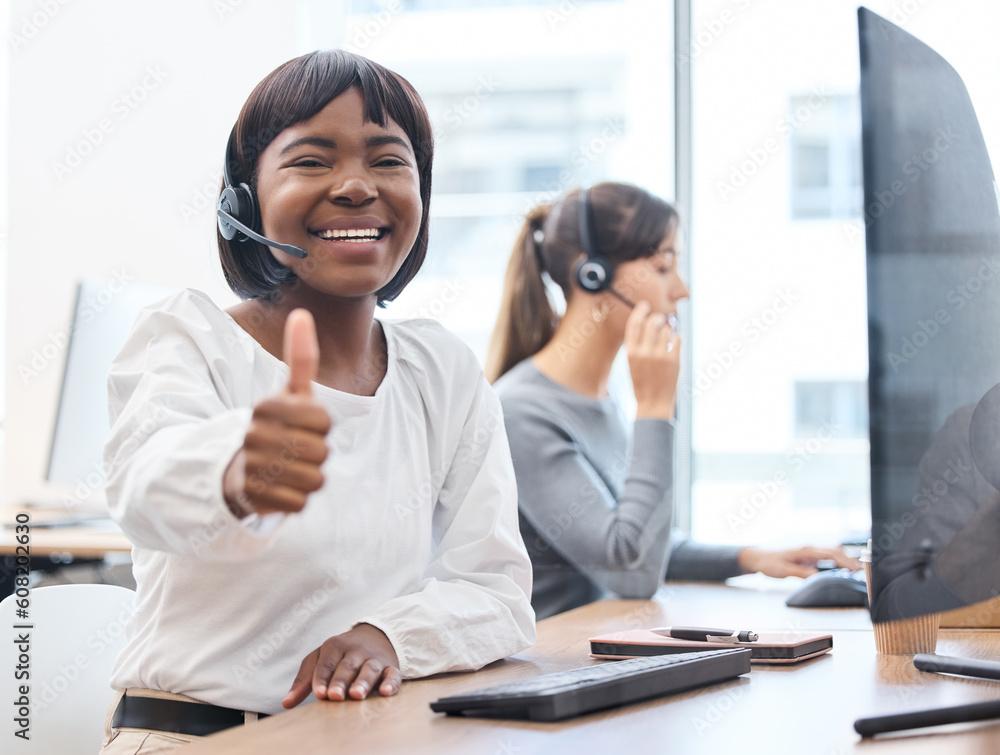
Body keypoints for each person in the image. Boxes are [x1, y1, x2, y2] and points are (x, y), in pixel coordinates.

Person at [99, 50, 534, 753]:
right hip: (196, 739)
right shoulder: (185, 336)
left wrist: (391, 635)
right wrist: (235, 471)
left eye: (389, 160)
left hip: (365, 736)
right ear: (244, 201)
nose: (357, 186)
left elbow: (498, 591)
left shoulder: (442, 369)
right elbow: (143, 484)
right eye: (311, 160)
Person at [487, 182, 858, 620]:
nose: (681, 289)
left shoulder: (599, 397)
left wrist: (749, 558)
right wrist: (655, 407)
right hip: (551, 665)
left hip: (599, 647)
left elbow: (643, 540)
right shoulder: (522, 413)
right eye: (663, 267)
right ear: (593, 275)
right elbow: (633, 569)